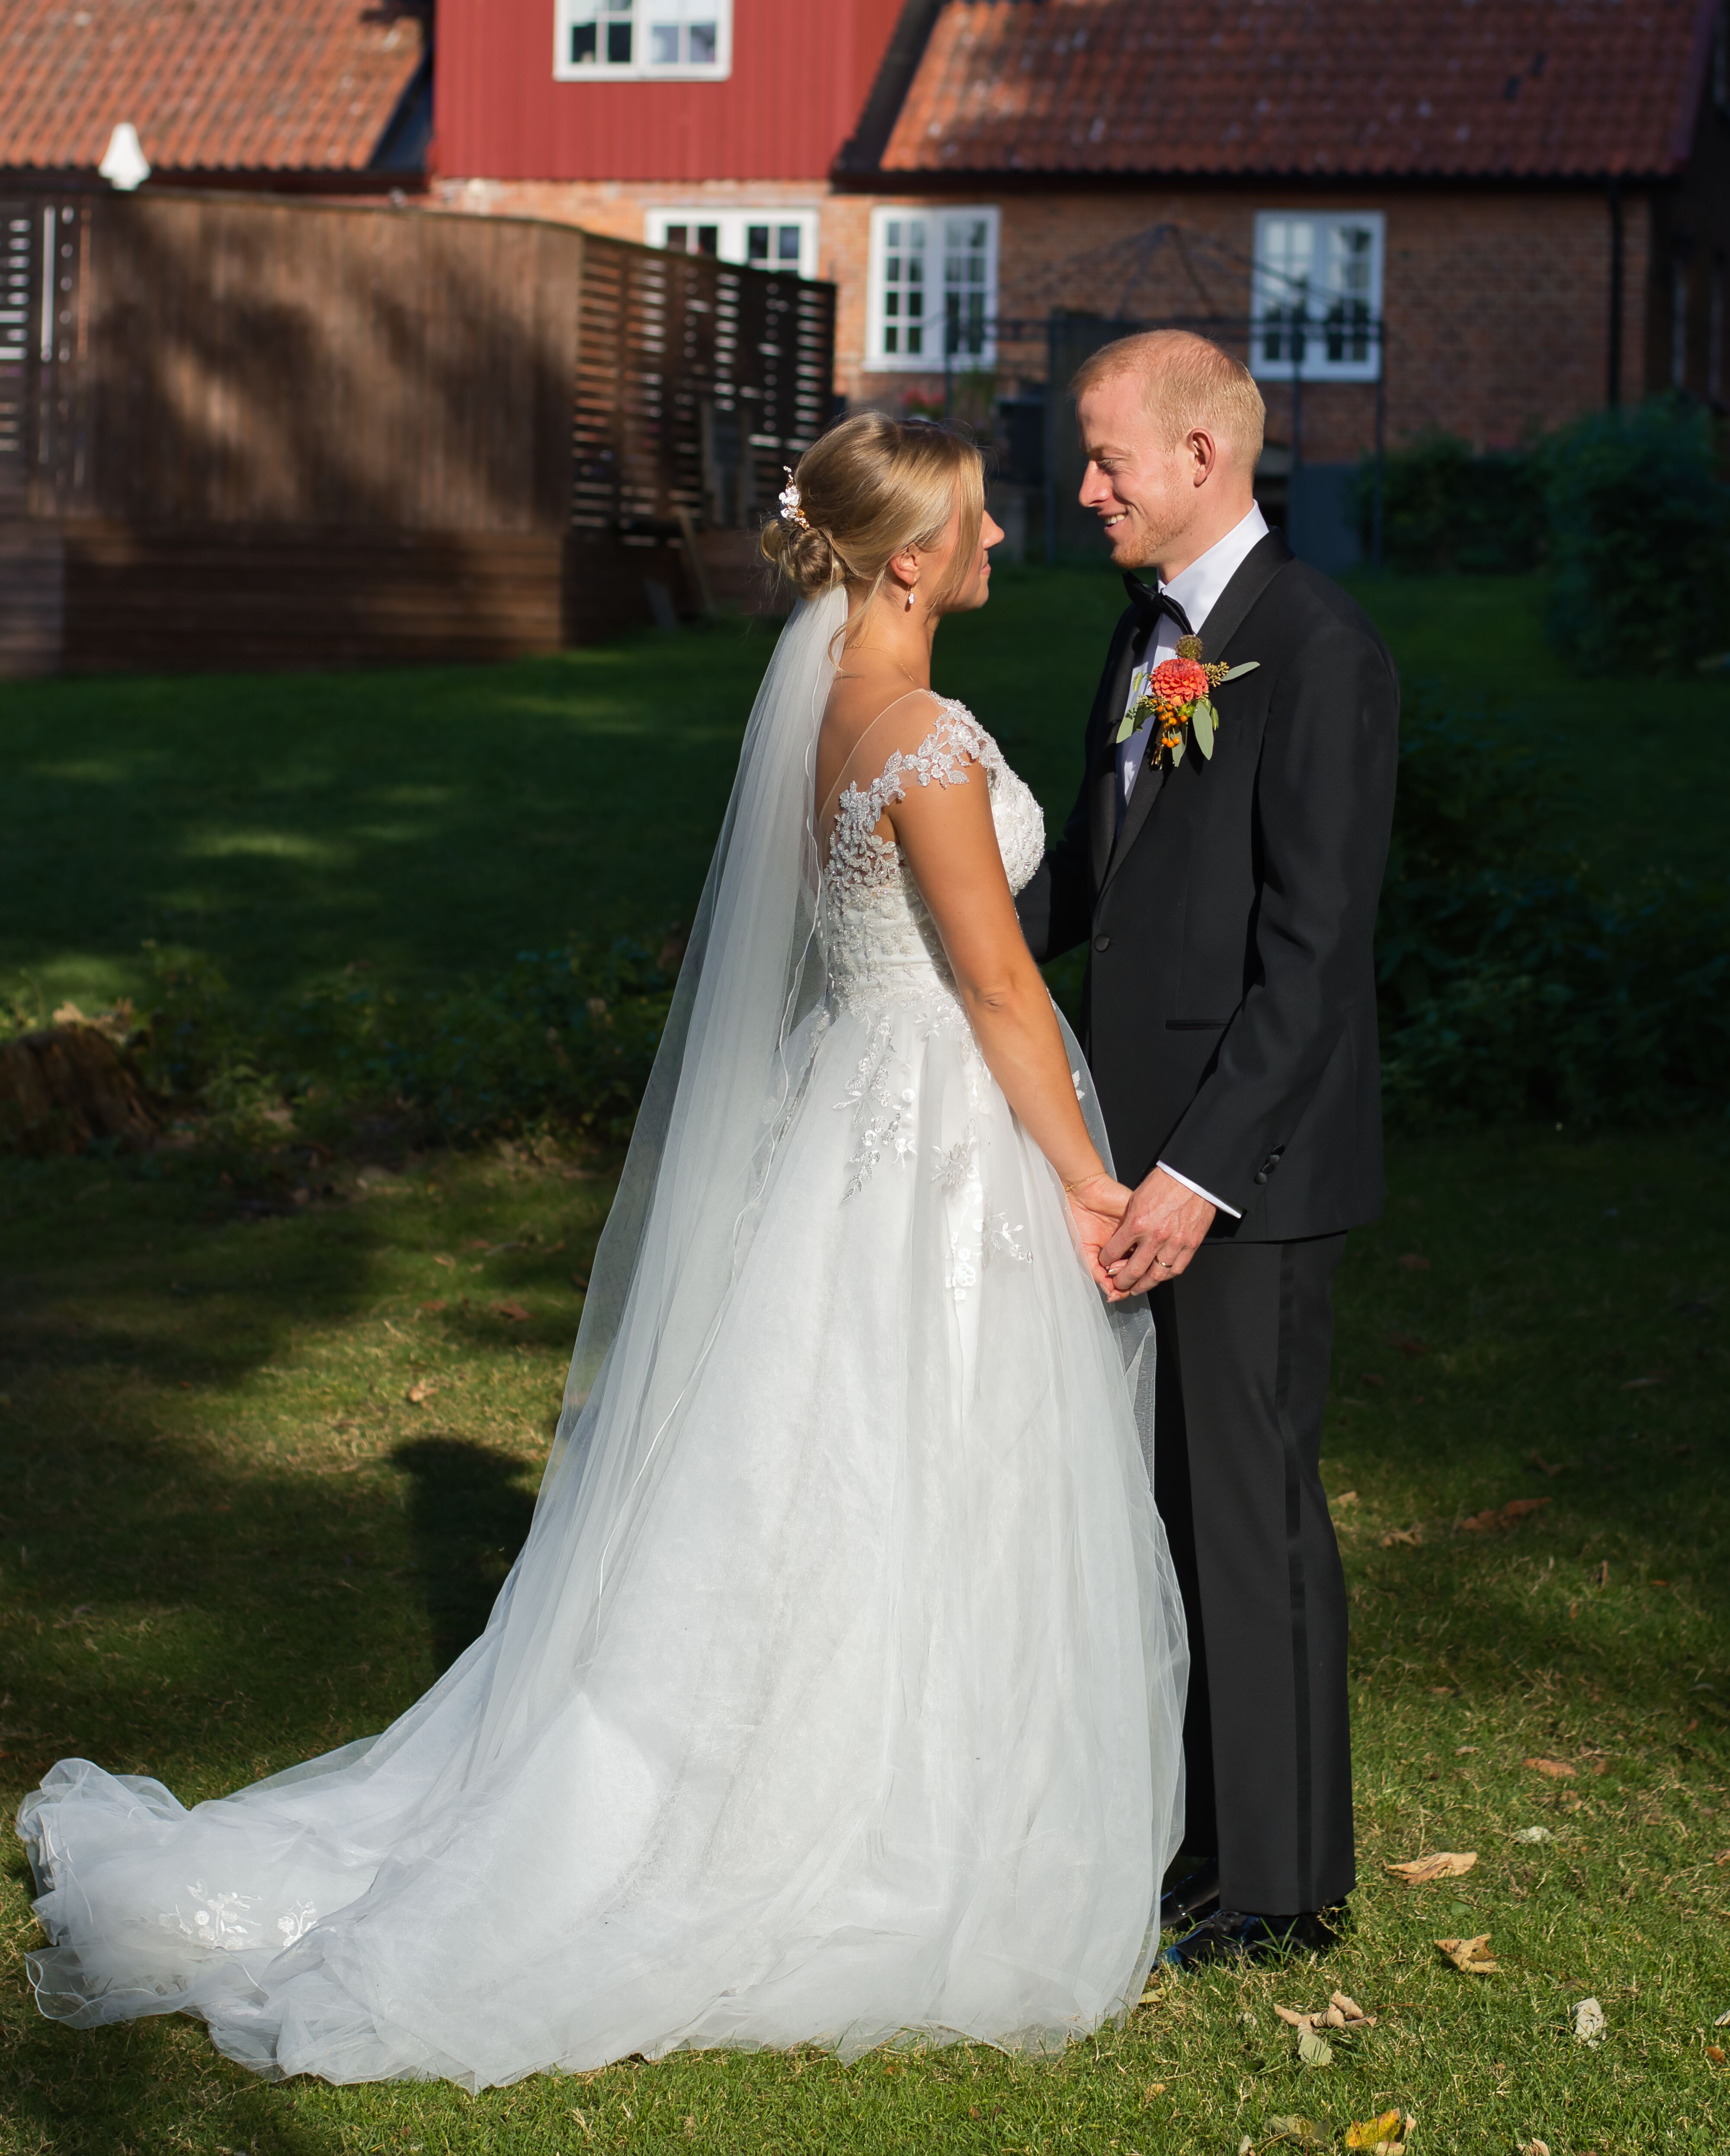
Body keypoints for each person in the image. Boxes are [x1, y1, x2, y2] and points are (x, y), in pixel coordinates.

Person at [19, 413, 1186, 2089]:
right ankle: (868, 1812)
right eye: (977, 523)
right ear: (908, 561)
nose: (1002, 539)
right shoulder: (919, 738)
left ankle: (869, 1764)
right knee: (912, 1452)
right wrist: (1085, 1180)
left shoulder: (826, 710)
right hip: (932, 1133)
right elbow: (1000, 988)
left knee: (838, 1460)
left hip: (852, 1115)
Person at [1017, 332, 1399, 1970]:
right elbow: (1108, 882)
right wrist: (943, 922)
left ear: (1200, 457)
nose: (1085, 488)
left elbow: (1315, 955)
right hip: (1138, 1139)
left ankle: (1286, 1887)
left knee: (1251, 1511)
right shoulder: (1150, 636)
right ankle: (1205, 1844)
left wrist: (1199, 1175)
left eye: (1107, 459)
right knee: (1169, 1503)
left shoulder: (1317, 651)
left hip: (1248, 1168)